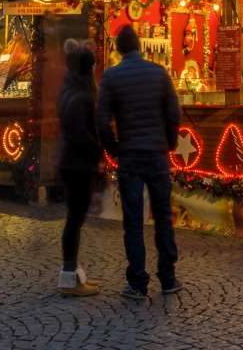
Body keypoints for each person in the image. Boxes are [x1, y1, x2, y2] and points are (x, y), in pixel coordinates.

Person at [97, 25, 182, 300]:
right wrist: (168, 142)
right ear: (140, 47)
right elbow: (173, 112)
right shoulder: (159, 73)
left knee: (133, 220)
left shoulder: (111, 77)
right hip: (156, 155)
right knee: (163, 216)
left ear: (119, 49)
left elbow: (101, 121)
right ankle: (168, 277)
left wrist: (115, 149)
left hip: (130, 156)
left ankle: (137, 281)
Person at [55, 39, 103, 297]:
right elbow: (81, 135)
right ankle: (69, 277)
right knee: (75, 219)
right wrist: (98, 150)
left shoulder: (68, 90)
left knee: (74, 219)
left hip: (70, 162)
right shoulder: (82, 96)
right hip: (77, 164)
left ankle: (71, 273)